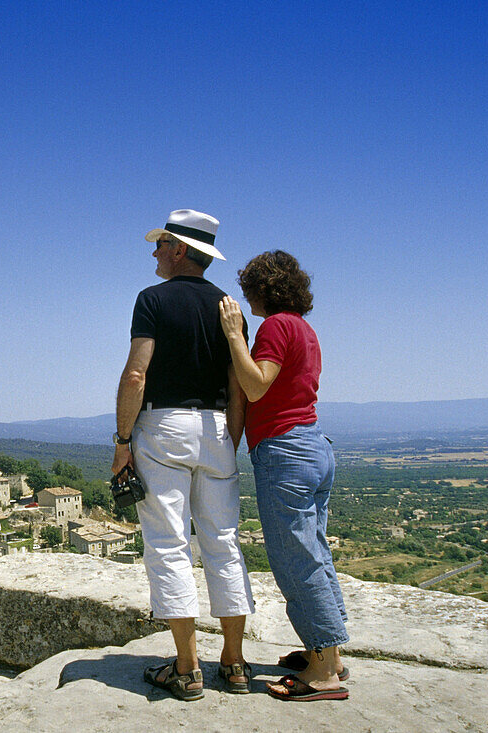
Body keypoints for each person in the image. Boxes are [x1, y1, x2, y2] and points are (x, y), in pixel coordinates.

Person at [112, 209, 254, 701]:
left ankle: (188, 667)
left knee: (168, 544)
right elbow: (239, 387)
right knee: (224, 543)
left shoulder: (151, 300)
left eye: (159, 245)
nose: (153, 253)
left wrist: (122, 441)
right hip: (218, 428)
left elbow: (136, 375)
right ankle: (234, 665)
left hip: (163, 427)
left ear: (177, 250)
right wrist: (227, 442)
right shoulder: (230, 309)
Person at [218, 250, 350, 702]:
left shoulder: (276, 326)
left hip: (286, 450)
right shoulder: (305, 329)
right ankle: (328, 653)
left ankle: (322, 672)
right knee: (314, 552)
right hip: (314, 444)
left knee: (295, 559)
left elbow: (256, 384)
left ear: (261, 289)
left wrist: (236, 336)